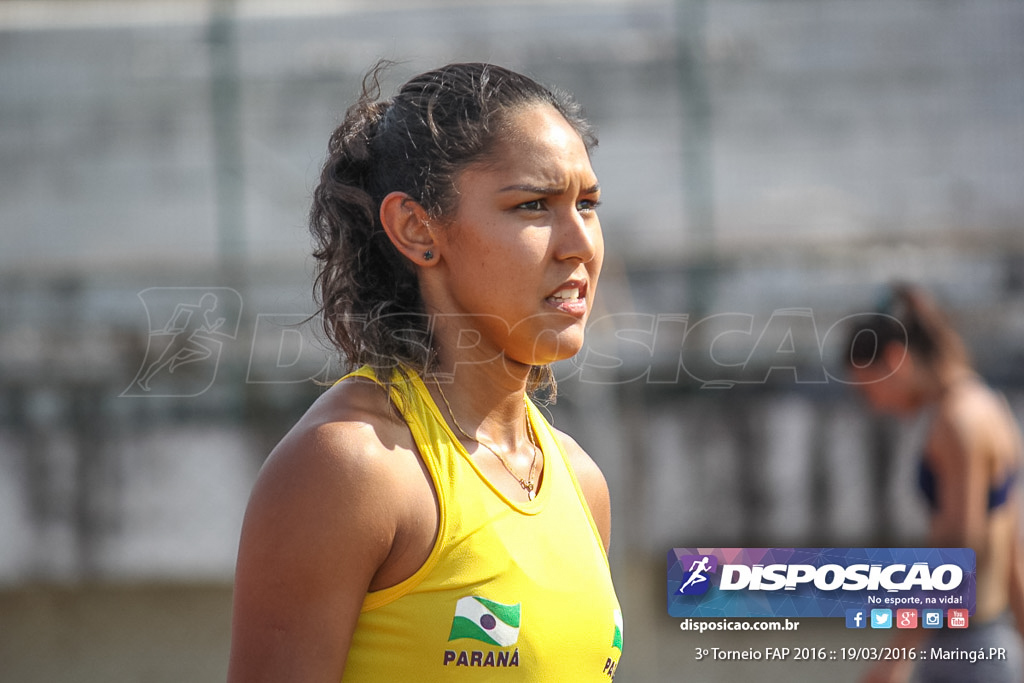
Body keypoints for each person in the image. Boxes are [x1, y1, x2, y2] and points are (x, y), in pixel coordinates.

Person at [227, 62, 623, 681]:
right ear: (417, 229)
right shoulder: (352, 468)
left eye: (589, 204)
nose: (581, 244)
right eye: (534, 206)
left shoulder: (579, 481)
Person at [846, 283, 1024, 683]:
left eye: (867, 386)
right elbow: (1010, 547)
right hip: (991, 643)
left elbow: (959, 551)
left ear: (895, 359)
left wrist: (893, 661)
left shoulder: (956, 423)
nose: (873, 404)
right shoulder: (989, 406)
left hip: (962, 654)